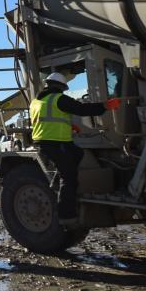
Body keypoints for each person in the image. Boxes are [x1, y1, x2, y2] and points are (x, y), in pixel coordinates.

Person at [29, 72, 120, 227]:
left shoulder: (36, 101)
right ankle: (66, 216)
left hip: (47, 142)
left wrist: (69, 125)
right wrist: (104, 106)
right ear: (60, 87)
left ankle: (56, 183)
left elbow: (45, 119)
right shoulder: (58, 98)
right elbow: (81, 109)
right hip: (56, 143)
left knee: (78, 153)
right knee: (69, 177)